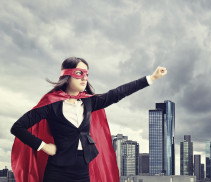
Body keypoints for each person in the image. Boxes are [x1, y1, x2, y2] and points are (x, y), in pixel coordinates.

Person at [10, 57, 167, 182]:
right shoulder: (51, 103)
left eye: (86, 74)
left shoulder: (89, 101)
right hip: (57, 170)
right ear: (66, 75)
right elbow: (17, 127)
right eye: (79, 73)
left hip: (83, 170)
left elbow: (118, 93)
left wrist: (151, 78)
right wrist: (43, 146)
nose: (84, 78)